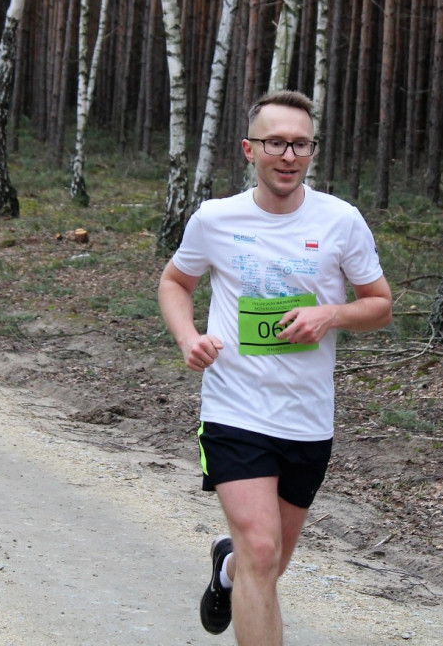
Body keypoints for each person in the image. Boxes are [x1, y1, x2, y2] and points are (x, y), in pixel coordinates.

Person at [158, 90, 392, 646]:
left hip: (307, 419)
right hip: (234, 409)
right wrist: (188, 337)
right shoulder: (216, 219)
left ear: (312, 151)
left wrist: (330, 314)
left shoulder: (340, 220)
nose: (288, 155)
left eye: (300, 144)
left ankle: (225, 567)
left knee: (269, 562)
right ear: (249, 150)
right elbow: (175, 282)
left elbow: (379, 303)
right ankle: (239, 561)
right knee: (261, 551)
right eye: (275, 143)